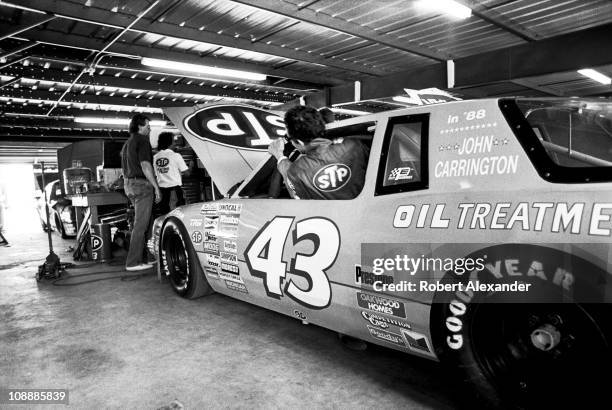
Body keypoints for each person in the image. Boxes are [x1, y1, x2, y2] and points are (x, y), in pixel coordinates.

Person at [268, 105, 369, 200]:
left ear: (299, 142)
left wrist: (279, 156)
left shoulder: (297, 170)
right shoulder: (354, 146)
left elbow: (296, 197)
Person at [120, 113, 161, 271]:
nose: (150, 128)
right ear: (139, 126)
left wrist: (128, 185)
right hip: (142, 185)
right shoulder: (142, 140)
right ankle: (133, 262)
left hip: (130, 185)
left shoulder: (128, 143)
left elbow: (125, 169)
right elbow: (145, 165)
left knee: (147, 221)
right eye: (147, 125)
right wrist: (156, 187)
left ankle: (151, 257)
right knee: (141, 225)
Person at [153, 132, 189, 215]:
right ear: (169, 143)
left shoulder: (155, 157)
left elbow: (156, 174)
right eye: (174, 141)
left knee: (164, 214)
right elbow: (187, 173)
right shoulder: (176, 155)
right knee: (176, 215)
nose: (175, 143)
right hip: (174, 191)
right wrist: (190, 166)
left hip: (161, 192)